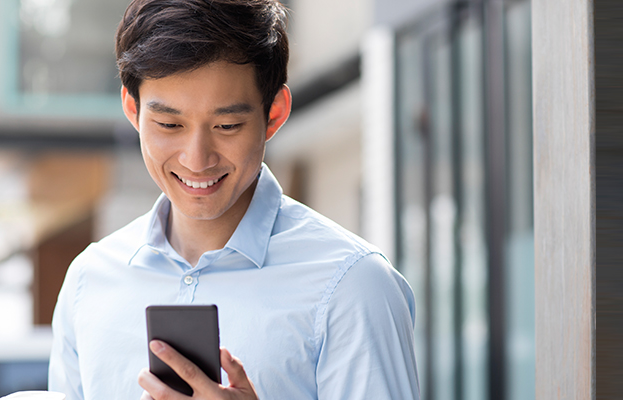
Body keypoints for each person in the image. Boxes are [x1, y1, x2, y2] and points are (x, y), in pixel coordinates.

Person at [46, 0, 420, 399]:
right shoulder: (88, 281)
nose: (197, 159)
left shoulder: (353, 286)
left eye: (227, 125)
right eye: (169, 124)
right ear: (132, 110)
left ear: (274, 114)